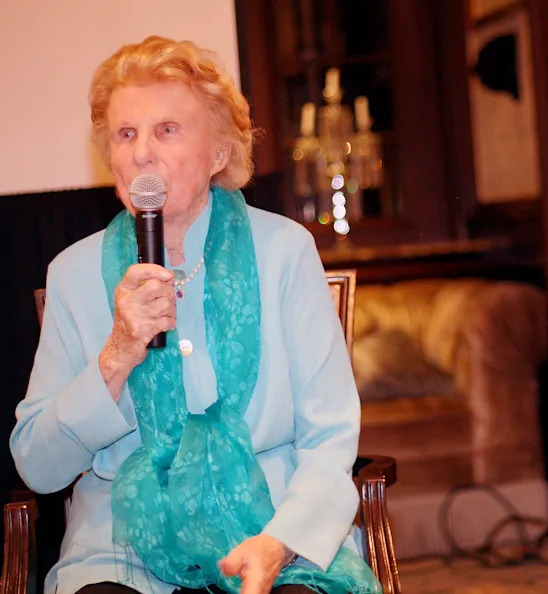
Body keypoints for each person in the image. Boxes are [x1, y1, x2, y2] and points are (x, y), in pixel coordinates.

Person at [10, 37, 379, 594]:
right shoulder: (75, 273)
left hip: (276, 529)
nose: (141, 154)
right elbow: (38, 467)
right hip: (121, 549)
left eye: (167, 130)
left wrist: (281, 541)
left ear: (219, 153)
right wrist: (116, 355)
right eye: (126, 134)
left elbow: (330, 436)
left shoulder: (284, 251)